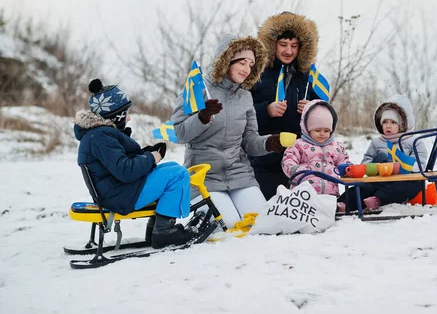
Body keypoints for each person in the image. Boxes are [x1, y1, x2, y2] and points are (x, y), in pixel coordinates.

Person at [171, 34, 285, 228]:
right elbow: (180, 133)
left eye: (251, 64)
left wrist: (268, 143)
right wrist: (202, 117)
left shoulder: (245, 97)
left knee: (260, 223)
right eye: (242, 62)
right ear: (226, 60)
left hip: (239, 173)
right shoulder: (197, 88)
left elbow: (249, 141)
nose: (247, 69)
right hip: (204, 176)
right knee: (226, 226)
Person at [74, 79, 198, 249]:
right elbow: (125, 170)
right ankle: (164, 232)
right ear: (115, 115)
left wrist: (147, 153)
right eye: (126, 113)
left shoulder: (98, 134)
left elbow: (119, 162)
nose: (129, 117)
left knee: (171, 168)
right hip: (120, 196)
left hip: (118, 190)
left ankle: (156, 227)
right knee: (178, 175)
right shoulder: (101, 137)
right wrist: (151, 158)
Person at [250, 11, 319, 199]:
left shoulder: (308, 79)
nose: (288, 51)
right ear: (272, 45)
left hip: (299, 159)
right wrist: (267, 110)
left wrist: (311, 109)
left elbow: (326, 120)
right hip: (262, 159)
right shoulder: (255, 75)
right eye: (283, 45)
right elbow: (240, 114)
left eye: (294, 46)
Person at [337, 95, 428, 212]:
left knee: (409, 186)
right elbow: (366, 161)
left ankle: (378, 199)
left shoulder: (414, 141)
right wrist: (375, 164)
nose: (388, 126)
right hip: (381, 179)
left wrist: (401, 165)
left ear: (403, 124)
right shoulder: (377, 142)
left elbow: (420, 164)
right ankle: (343, 203)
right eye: (385, 122)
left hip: (406, 180)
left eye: (393, 122)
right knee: (364, 187)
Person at [282, 100, 351, 196]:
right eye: (318, 130)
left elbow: (343, 161)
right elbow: (288, 160)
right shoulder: (299, 145)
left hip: (330, 195)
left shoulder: (336, 147)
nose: (322, 134)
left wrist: (349, 168)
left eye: (326, 130)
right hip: (304, 196)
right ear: (308, 128)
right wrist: (297, 170)